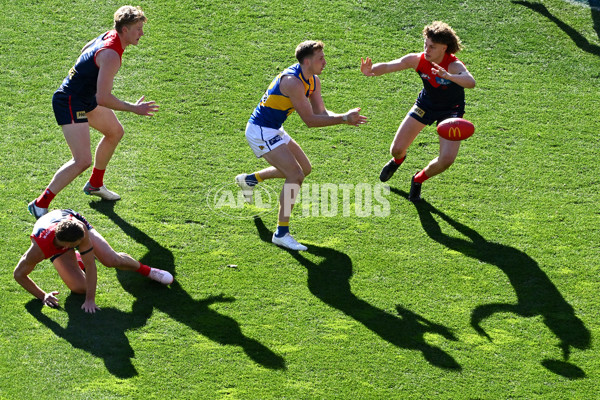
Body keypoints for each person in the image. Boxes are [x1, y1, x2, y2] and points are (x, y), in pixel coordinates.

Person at [28, 6, 159, 219]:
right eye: (138, 28)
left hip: (83, 97)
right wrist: (134, 108)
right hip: (70, 101)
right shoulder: (111, 54)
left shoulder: (111, 34)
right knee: (82, 160)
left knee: (115, 131)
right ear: (125, 30)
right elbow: (103, 98)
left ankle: (95, 184)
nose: (142, 33)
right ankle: (39, 204)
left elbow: (85, 49)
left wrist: (84, 79)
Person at [236, 40, 367, 251]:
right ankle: (281, 233)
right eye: (320, 59)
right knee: (295, 175)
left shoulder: (312, 80)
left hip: (273, 128)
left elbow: (321, 113)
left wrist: (345, 116)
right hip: (260, 131)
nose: (325, 62)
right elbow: (310, 121)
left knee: (304, 169)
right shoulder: (292, 83)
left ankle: (250, 180)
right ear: (307, 61)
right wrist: (343, 119)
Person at [360, 21, 476, 202]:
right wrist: (371, 71)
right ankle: (398, 161)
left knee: (447, 160)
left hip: (451, 112)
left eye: (432, 47)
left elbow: (471, 82)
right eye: (425, 44)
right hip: (425, 105)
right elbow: (392, 65)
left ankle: (418, 179)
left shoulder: (453, 65)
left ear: (444, 48)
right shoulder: (418, 60)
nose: (427, 50)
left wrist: (449, 76)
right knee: (396, 149)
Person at [13, 209, 173, 313]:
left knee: (111, 260)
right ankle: (78, 258)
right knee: (80, 287)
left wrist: (91, 299)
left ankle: (148, 270)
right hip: (52, 237)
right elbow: (19, 274)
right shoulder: (39, 250)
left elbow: (91, 266)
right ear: (69, 246)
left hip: (68, 220)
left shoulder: (79, 230)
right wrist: (42, 296)